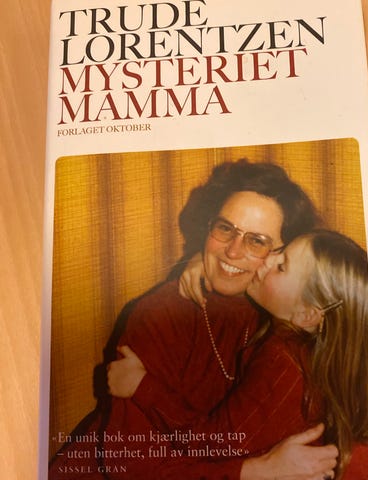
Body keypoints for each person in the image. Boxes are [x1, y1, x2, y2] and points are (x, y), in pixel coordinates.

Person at [49, 160, 338, 480]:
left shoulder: (286, 318)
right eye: (225, 229)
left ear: (285, 255)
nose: (232, 251)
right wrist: (255, 471)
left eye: (256, 241)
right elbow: (133, 467)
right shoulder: (160, 313)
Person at [109, 229, 368, 479]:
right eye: (280, 251)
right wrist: (203, 262)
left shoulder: (284, 362)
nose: (267, 260)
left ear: (306, 315)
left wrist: (141, 386)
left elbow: (215, 444)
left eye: (281, 267)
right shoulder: (304, 343)